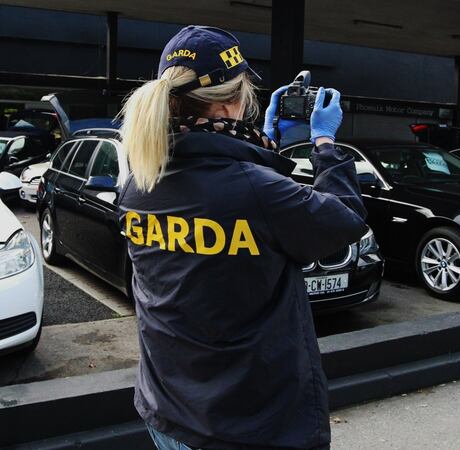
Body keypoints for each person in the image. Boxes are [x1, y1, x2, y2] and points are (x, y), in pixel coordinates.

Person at [117, 25, 368, 450]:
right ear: (233, 104)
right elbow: (343, 220)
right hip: (248, 426)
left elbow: (232, 201)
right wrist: (324, 143)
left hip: (169, 411)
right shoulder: (254, 190)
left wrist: (261, 144)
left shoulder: (139, 182)